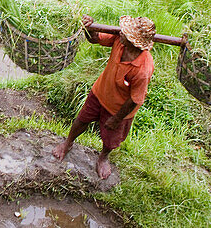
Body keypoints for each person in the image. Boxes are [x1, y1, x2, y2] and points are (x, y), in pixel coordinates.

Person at [52, 15, 156, 180]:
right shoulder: (119, 40)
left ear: (135, 43)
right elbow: (94, 38)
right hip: (100, 92)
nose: (121, 33)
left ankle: (103, 157)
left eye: (126, 34)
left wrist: (116, 119)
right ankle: (68, 143)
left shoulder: (143, 68)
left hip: (119, 108)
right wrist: (89, 27)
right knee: (82, 120)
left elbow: (135, 100)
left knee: (110, 138)